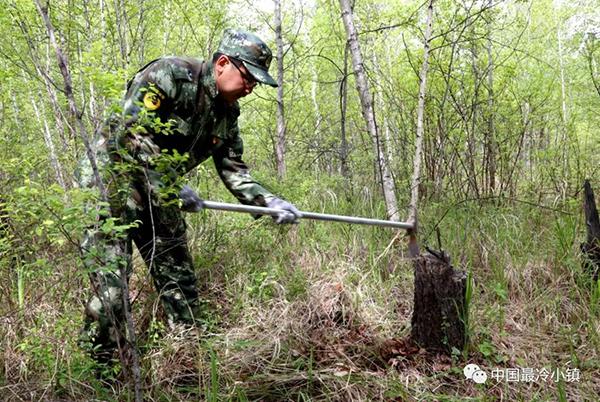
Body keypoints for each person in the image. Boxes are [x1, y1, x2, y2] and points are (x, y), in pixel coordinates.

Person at [76, 28, 301, 364]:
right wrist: (170, 183)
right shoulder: (170, 75)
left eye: (257, 82)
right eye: (248, 77)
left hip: (160, 191)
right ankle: (105, 372)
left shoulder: (226, 114)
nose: (251, 87)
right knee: (111, 294)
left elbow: (234, 168)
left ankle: (191, 362)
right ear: (223, 63)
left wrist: (267, 201)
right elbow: (131, 129)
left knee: (179, 280)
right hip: (111, 181)